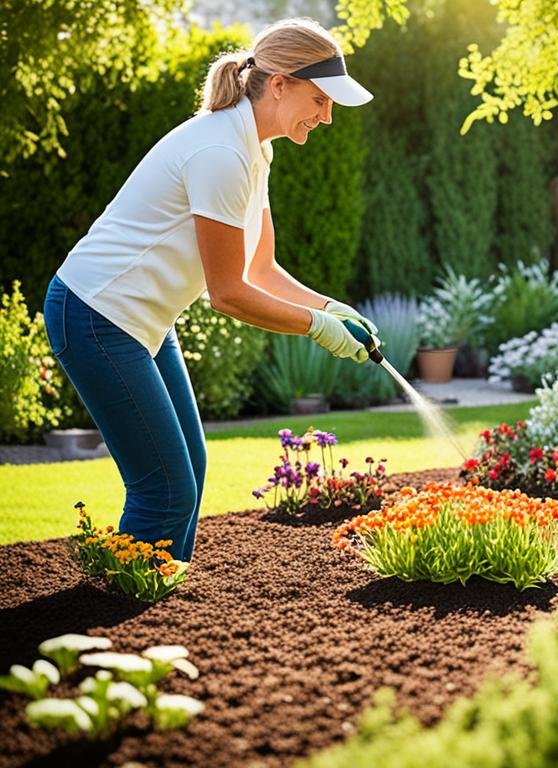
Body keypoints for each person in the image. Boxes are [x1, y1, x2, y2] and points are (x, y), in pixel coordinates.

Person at [43, 18, 377, 562]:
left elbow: (261, 268)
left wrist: (330, 307)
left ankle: (158, 593)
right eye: (319, 99)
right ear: (279, 84)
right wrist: (318, 329)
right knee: (165, 489)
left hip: (141, 320)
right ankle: (124, 622)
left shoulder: (255, 148)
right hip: (94, 314)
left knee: (189, 469)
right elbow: (228, 293)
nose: (327, 116)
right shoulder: (221, 151)